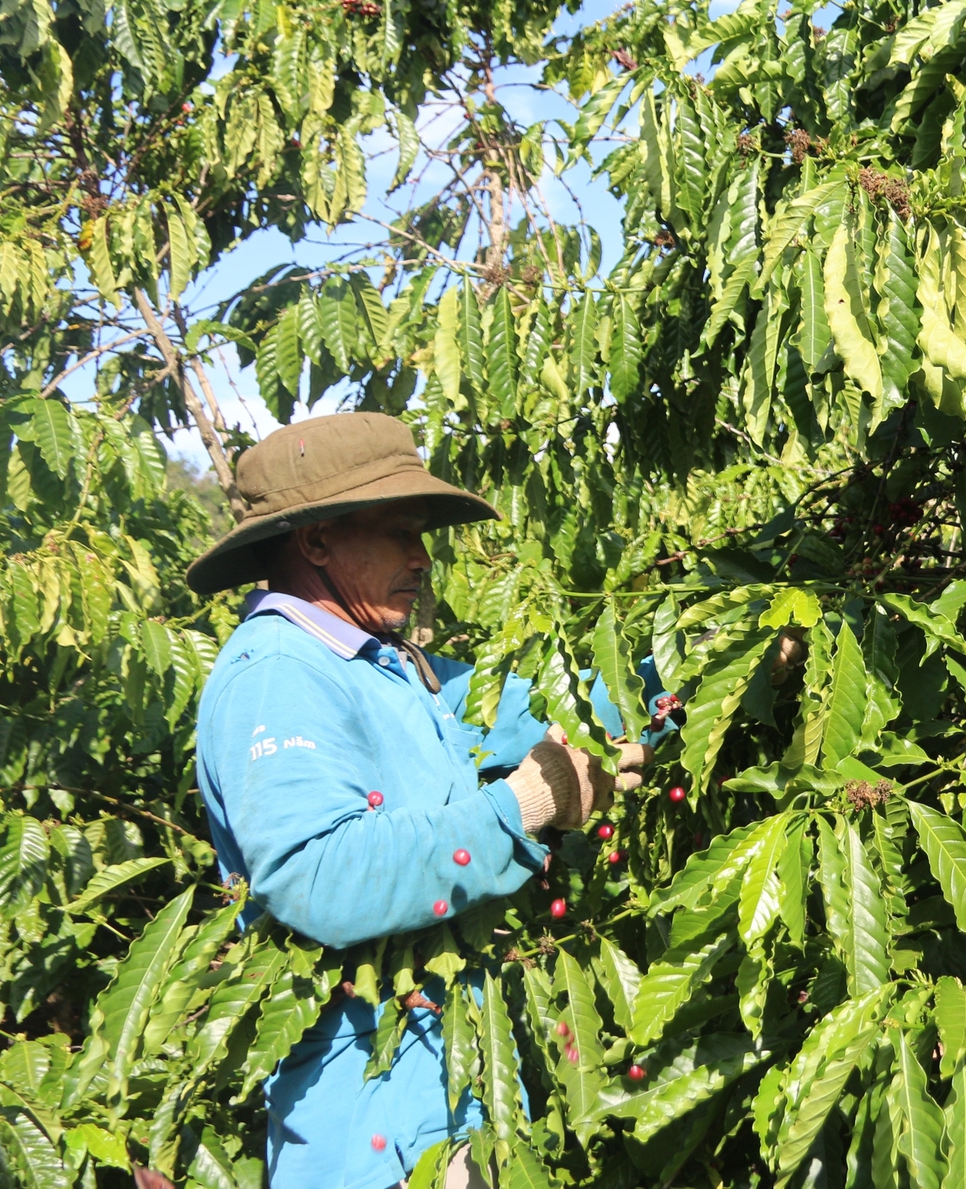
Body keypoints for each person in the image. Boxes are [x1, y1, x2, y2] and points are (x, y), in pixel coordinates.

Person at [187, 413, 679, 1189]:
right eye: (398, 532)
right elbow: (320, 876)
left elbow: (576, 709)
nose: (422, 557)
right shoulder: (278, 674)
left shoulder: (400, 669)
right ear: (315, 541)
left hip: (459, 1100)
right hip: (370, 1124)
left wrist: (709, 663)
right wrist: (527, 804)